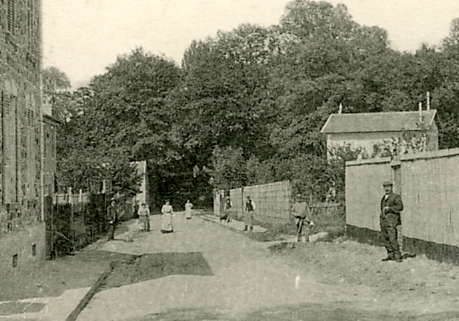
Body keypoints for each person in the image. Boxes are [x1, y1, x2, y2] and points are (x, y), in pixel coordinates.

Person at [380, 181, 404, 263]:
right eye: (385, 187)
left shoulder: (395, 197)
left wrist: (389, 208)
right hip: (384, 221)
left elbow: (400, 207)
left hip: (392, 221)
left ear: (391, 188)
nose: (387, 189)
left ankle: (398, 256)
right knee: (385, 238)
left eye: (388, 187)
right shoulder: (384, 197)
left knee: (392, 238)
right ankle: (390, 255)